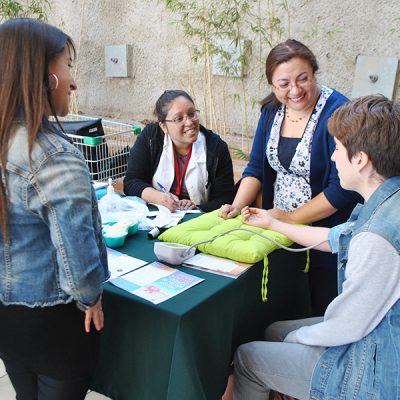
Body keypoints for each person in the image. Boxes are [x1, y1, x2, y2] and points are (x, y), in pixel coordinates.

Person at [234, 95, 400, 399]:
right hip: (377, 337)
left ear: (360, 159)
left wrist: (299, 338)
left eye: (337, 149)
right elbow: (338, 237)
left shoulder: (378, 238)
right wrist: (274, 223)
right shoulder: (390, 198)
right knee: (274, 332)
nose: (334, 158)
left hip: (375, 370)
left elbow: (347, 325)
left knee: (248, 357)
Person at [0, 18, 109, 399]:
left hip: (8, 316)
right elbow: (79, 262)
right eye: (67, 66)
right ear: (44, 76)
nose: (73, 81)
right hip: (54, 321)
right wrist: (91, 296)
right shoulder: (54, 157)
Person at [219, 39, 360, 316]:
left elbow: (341, 189)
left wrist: (290, 219)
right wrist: (236, 206)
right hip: (278, 230)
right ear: (273, 85)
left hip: (324, 234)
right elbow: (257, 166)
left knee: (321, 308)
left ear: (314, 72)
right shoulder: (271, 110)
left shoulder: (338, 113)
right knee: (280, 303)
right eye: (284, 84)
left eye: (303, 79)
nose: (295, 90)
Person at [123, 90, 234, 212]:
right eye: (178, 118)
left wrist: (195, 208)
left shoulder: (216, 148)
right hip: (158, 214)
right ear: (163, 126)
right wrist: (158, 197)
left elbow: (225, 198)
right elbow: (131, 182)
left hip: (197, 218)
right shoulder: (151, 138)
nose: (189, 123)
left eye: (192, 114)